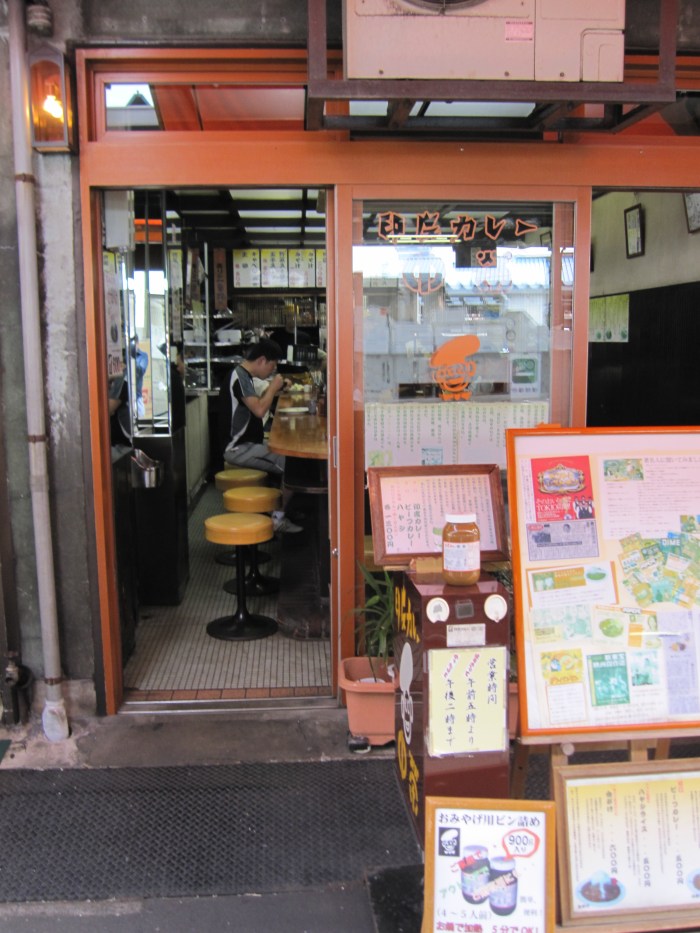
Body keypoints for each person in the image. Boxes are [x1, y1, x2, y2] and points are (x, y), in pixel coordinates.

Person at [219, 338, 302, 533]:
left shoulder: (243, 375)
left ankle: (283, 507)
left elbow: (257, 401)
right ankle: (278, 518)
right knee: (293, 465)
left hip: (247, 444)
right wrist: (273, 387)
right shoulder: (240, 377)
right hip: (238, 449)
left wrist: (275, 388)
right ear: (262, 360)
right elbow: (258, 410)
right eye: (272, 366)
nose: (272, 371)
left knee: (289, 456)